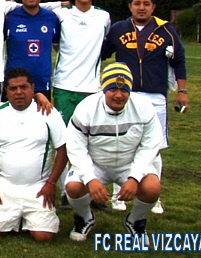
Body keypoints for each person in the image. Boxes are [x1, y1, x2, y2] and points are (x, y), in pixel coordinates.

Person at [101, 0, 188, 214]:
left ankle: (152, 195)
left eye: (146, 3)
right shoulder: (119, 29)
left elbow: (179, 60)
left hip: (155, 95)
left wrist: (182, 91)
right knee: (120, 143)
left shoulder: (166, 30)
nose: (141, 7)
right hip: (124, 95)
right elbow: (100, 53)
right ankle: (118, 195)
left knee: (154, 147)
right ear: (130, 6)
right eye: (137, 3)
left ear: (153, 7)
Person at [65, 63, 162, 244]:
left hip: (128, 164)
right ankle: (85, 218)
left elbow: (150, 146)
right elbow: (76, 148)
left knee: (152, 188)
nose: (118, 95)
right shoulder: (86, 108)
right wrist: (90, 179)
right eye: (112, 89)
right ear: (103, 89)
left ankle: (135, 221)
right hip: (96, 165)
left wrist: (134, 178)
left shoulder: (144, 107)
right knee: (73, 187)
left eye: (124, 90)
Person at [0, 68, 67, 242]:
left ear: (32, 88)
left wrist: (51, 183)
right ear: (6, 91)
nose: (18, 92)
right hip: (5, 187)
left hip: (38, 187)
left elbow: (63, 150)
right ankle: (17, 218)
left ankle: (25, 219)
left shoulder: (48, 113)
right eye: (13, 88)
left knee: (44, 236)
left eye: (23, 87)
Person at [52, 0, 111, 207]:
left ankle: (94, 191)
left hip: (92, 89)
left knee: (94, 143)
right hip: (64, 87)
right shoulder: (61, 15)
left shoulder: (103, 17)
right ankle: (66, 192)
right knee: (65, 141)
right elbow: (55, 43)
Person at [4, 0, 61, 99]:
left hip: (42, 85)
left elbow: (58, 46)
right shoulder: (9, 18)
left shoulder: (52, 18)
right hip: (14, 85)